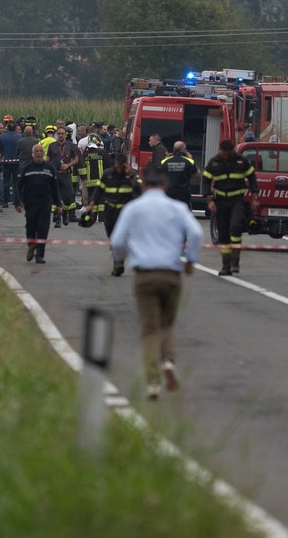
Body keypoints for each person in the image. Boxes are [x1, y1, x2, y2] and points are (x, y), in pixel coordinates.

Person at [109, 166, 203, 400]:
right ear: (165, 185)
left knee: (149, 328)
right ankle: (168, 362)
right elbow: (197, 234)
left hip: (144, 275)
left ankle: (153, 382)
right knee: (167, 324)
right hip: (171, 274)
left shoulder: (133, 208)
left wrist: (121, 258)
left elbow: (117, 240)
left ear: (143, 186)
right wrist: (190, 260)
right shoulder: (177, 208)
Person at [202, 138, 259, 276]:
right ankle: (225, 266)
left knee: (235, 227)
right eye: (223, 153)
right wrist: (209, 200)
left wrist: (255, 198)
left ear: (232, 151)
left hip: (237, 201)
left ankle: (235, 260)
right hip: (220, 201)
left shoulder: (241, 161)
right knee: (223, 235)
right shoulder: (214, 162)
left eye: (228, 154)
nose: (226, 156)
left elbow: (252, 178)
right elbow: (206, 181)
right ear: (220, 151)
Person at [84, 153, 143, 276]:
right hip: (110, 211)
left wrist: (130, 175)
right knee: (112, 238)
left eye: (122, 166)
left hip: (125, 213)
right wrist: (92, 203)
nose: (119, 168)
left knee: (121, 238)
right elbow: (98, 190)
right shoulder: (108, 174)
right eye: (117, 165)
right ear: (115, 163)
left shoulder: (131, 175)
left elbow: (140, 189)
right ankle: (118, 258)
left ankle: (118, 263)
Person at [16, 144, 62, 265]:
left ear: (44, 153)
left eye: (41, 151)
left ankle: (40, 255)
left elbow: (54, 187)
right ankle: (31, 245)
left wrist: (58, 203)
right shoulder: (26, 168)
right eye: (37, 151)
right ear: (33, 153)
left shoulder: (50, 168)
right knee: (31, 227)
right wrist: (18, 202)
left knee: (43, 229)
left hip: (45, 204)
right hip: (30, 203)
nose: (39, 153)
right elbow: (19, 186)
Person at [47, 125, 80, 227]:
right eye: (59, 134)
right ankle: (57, 219)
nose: (61, 135)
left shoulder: (71, 145)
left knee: (68, 197)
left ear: (66, 135)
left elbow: (76, 159)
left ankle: (65, 213)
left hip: (66, 175)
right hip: (56, 175)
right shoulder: (52, 145)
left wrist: (68, 165)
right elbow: (48, 159)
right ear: (57, 135)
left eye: (62, 134)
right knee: (56, 197)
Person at [0, 119, 23, 208]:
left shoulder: (2, 137)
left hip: (5, 162)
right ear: (15, 128)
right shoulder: (19, 137)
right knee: (16, 182)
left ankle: (5, 201)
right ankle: (16, 201)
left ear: (7, 127)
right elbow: (21, 150)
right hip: (16, 162)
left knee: (6, 182)